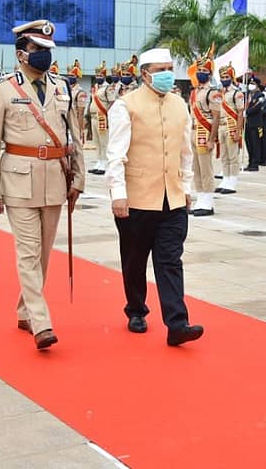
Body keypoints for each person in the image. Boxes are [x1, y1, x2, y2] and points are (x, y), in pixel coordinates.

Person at [0, 19, 85, 350]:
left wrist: (79, 177)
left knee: (43, 255)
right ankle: (42, 324)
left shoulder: (62, 87)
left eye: (48, 51)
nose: (44, 56)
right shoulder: (1, 89)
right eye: (37, 50)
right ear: (21, 54)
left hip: (55, 177)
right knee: (28, 253)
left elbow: (75, 137)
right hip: (18, 180)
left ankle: (26, 310)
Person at [106, 47, 204, 347]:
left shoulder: (180, 105)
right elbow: (116, 154)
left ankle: (177, 323)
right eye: (160, 69)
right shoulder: (126, 106)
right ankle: (136, 309)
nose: (167, 74)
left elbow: (185, 153)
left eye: (170, 67)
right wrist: (118, 194)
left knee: (170, 260)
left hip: (172, 199)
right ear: (145, 74)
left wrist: (187, 188)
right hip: (136, 200)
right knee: (135, 261)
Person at [187, 51, 220, 216]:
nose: (201, 74)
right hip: (193, 132)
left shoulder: (212, 92)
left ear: (210, 74)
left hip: (204, 133)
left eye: (205, 72)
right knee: (196, 168)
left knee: (206, 168)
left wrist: (212, 139)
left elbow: (216, 117)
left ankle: (208, 202)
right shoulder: (194, 92)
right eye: (199, 71)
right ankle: (200, 198)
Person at [215, 62, 245, 194]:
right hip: (221, 126)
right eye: (222, 77)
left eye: (227, 77)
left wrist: (238, 131)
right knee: (224, 155)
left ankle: (232, 181)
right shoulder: (219, 92)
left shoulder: (236, 93)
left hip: (231, 125)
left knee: (232, 155)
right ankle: (225, 178)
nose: (224, 79)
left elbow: (240, 113)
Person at [88, 61, 116, 175]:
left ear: (104, 76)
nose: (98, 77)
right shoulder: (95, 87)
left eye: (100, 76)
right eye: (97, 76)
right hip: (93, 117)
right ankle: (99, 161)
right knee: (97, 141)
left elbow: (112, 102)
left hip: (102, 116)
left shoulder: (108, 88)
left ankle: (105, 163)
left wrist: (108, 115)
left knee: (104, 141)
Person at [243, 76, 264, 170]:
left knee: (255, 144)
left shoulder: (260, 95)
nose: (251, 86)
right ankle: (250, 162)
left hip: (255, 123)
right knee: (248, 143)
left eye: (253, 84)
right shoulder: (248, 95)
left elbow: (257, 107)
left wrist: (247, 112)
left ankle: (255, 164)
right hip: (247, 123)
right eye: (250, 84)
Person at [67, 60, 88, 147]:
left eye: (72, 76)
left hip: (74, 122)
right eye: (68, 75)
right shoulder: (65, 89)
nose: (69, 77)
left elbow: (81, 113)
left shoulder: (80, 92)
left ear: (77, 77)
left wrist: (80, 129)